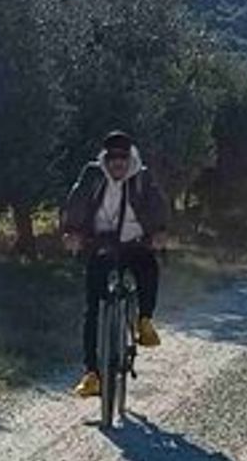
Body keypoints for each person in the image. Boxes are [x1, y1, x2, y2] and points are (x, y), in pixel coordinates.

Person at [60, 130, 170, 398]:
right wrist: (71, 232)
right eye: (112, 158)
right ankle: (91, 374)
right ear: (105, 159)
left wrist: (159, 232)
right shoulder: (93, 175)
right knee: (93, 307)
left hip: (135, 243)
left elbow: (157, 206)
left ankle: (144, 320)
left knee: (148, 268)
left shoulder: (141, 177)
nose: (118, 163)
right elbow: (76, 203)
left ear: (129, 156)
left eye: (123, 157)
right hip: (101, 244)